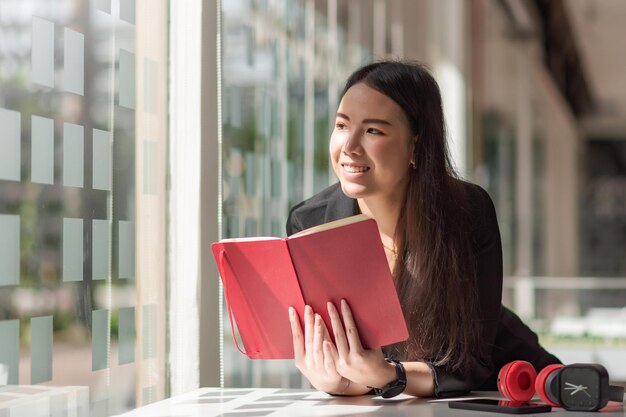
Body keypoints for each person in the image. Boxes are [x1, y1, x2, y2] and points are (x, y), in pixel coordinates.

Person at [286, 60, 560, 398]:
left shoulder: (468, 212)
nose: (350, 146)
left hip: (511, 385)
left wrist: (387, 375)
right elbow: (340, 358)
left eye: (373, 130)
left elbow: (470, 364)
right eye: (342, 126)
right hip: (402, 401)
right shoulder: (310, 224)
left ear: (416, 146)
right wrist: (337, 382)